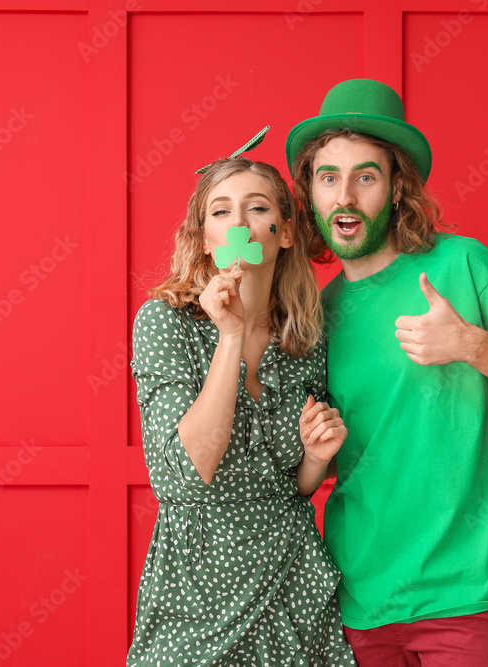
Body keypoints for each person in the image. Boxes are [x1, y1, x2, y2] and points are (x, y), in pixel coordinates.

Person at [286, 79, 488, 666]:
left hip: (465, 596)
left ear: (397, 187)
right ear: (311, 192)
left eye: (365, 177)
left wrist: (471, 345)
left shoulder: (463, 265)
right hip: (359, 601)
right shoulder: (317, 313)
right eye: (329, 177)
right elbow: (312, 467)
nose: (345, 196)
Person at [126, 137, 358, 666]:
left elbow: (292, 486)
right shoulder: (165, 323)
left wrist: (317, 457)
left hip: (293, 580)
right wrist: (229, 338)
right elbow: (182, 476)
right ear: (205, 239)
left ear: (285, 232)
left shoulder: (307, 337)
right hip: (197, 588)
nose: (239, 224)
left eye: (257, 208)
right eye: (221, 211)